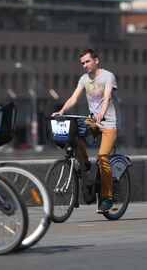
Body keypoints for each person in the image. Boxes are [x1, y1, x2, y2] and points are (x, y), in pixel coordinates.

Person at [52, 49, 121, 213]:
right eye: (82, 63)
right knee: (73, 136)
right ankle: (86, 164)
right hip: (93, 120)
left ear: (96, 60)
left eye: (87, 61)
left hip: (109, 122)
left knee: (104, 157)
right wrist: (61, 112)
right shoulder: (84, 79)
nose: (85, 65)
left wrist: (102, 113)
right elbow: (74, 98)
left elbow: (108, 97)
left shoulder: (108, 76)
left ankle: (107, 197)